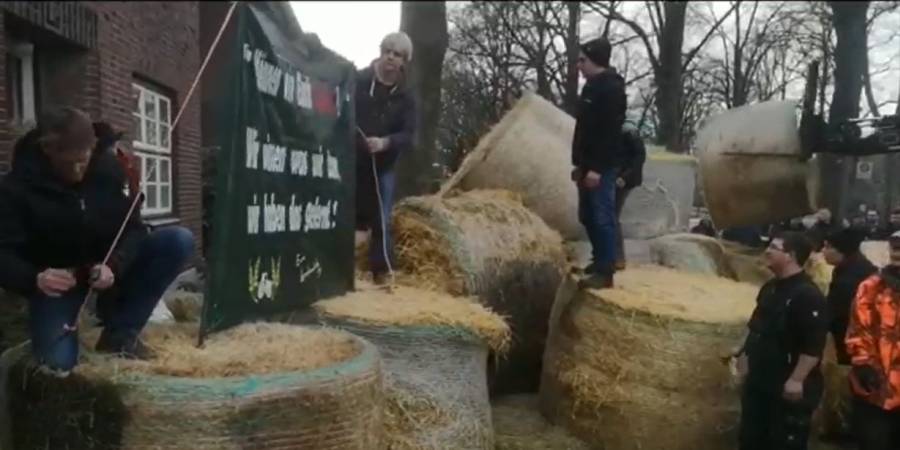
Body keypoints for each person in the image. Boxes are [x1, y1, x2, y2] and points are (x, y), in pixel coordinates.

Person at [0, 107, 194, 375]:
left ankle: (121, 334)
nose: (80, 169)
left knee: (178, 240)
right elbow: (4, 254)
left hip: (107, 271)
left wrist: (114, 265)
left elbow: (134, 229)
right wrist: (35, 278)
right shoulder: (15, 189)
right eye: (71, 163)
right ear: (48, 150)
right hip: (57, 286)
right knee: (56, 364)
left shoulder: (109, 169)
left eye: (85, 158)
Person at [734, 232, 828, 450]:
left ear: (791, 256)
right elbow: (756, 326)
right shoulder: (770, 287)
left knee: (782, 441)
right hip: (761, 380)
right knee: (751, 438)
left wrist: (797, 379)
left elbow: (813, 345)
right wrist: (743, 353)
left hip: (786, 384)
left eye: (774, 247)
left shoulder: (807, 296)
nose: (767, 250)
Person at [354, 31, 416, 285]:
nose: (390, 57)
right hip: (353, 159)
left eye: (397, 54)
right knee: (347, 211)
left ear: (404, 62)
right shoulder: (359, 80)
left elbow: (409, 135)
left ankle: (381, 271)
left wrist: (385, 143)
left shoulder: (406, 97)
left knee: (381, 216)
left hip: (384, 165)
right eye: (387, 51)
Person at [571, 37, 626, 289]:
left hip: (600, 166)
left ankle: (606, 270)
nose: (578, 65)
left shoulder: (611, 89)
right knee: (587, 216)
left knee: (603, 215)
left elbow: (609, 133)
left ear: (595, 60)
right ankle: (599, 259)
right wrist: (579, 163)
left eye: (582, 60)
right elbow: (584, 129)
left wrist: (597, 168)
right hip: (586, 164)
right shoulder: (590, 88)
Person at [844, 231, 900, 450]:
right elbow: (859, 328)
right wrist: (863, 363)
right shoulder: (871, 287)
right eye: (895, 248)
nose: (898, 253)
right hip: (877, 388)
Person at [822, 227, 878, 364]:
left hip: (854, 345)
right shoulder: (856, 268)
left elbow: (834, 315)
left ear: (842, 251)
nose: (823, 251)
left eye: (828, 247)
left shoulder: (848, 281)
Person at [613, 124, 646, 271]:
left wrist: (624, 177)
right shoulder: (621, 130)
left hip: (623, 179)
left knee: (612, 216)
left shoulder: (627, 131)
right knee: (609, 215)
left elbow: (639, 158)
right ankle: (614, 256)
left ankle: (618, 257)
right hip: (618, 177)